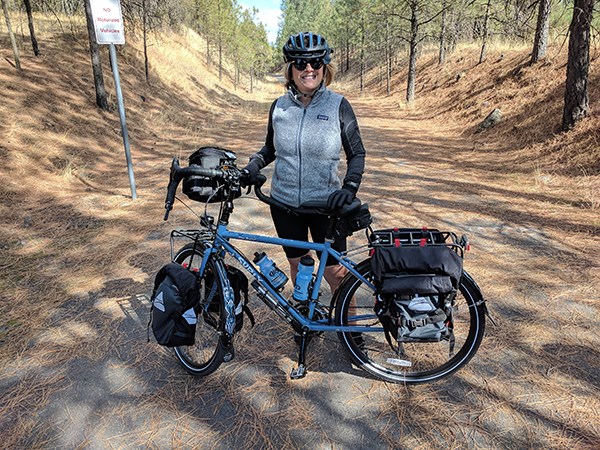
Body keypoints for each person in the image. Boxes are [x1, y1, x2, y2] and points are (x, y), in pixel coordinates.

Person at [242, 31, 366, 295]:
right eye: (300, 63)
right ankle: (306, 322)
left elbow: (357, 154)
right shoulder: (279, 107)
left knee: (336, 273)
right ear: (291, 68)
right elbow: (270, 148)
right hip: (284, 204)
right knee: (299, 269)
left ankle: (350, 331)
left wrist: (349, 188)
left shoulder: (339, 106)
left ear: (324, 66)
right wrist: (254, 164)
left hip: (325, 205)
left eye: (315, 63)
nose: (308, 69)